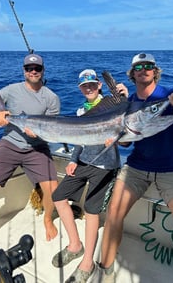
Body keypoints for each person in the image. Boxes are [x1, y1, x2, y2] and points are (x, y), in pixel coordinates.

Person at [93, 53, 173, 283]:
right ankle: (106, 270)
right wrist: (115, 135)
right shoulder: (129, 102)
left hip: (172, 168)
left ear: (155, 71)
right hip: (136, 167)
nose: (144, 69)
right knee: (113, 214)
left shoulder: (168, 96)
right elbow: (125, 143)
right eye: (138, 66)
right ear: (132, 73)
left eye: (149, 66)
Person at [0, 53, 60, 253]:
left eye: (37, 69)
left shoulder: (51, 98)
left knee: (52, 187)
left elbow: (51, 130)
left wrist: (38, 134)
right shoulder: (12, 90)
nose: (33, 71)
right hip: (10, 142)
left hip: (37, 147)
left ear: (43, 71)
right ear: (24, 71)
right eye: (29, 68)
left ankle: (48, 219)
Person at [51, 69, 121, 283]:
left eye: (92, 84)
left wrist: (115, 140)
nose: (89, 88)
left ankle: (88, 262)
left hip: (105, 165)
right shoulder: (81, 111)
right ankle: (75, 245)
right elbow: (79, 140)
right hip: (83, 162)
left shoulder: (112, 106)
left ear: (99, 85)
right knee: (58, 197)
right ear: (80, 89)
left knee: (91, 211)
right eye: (84, 85)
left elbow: (125, 133)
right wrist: (73, 159)